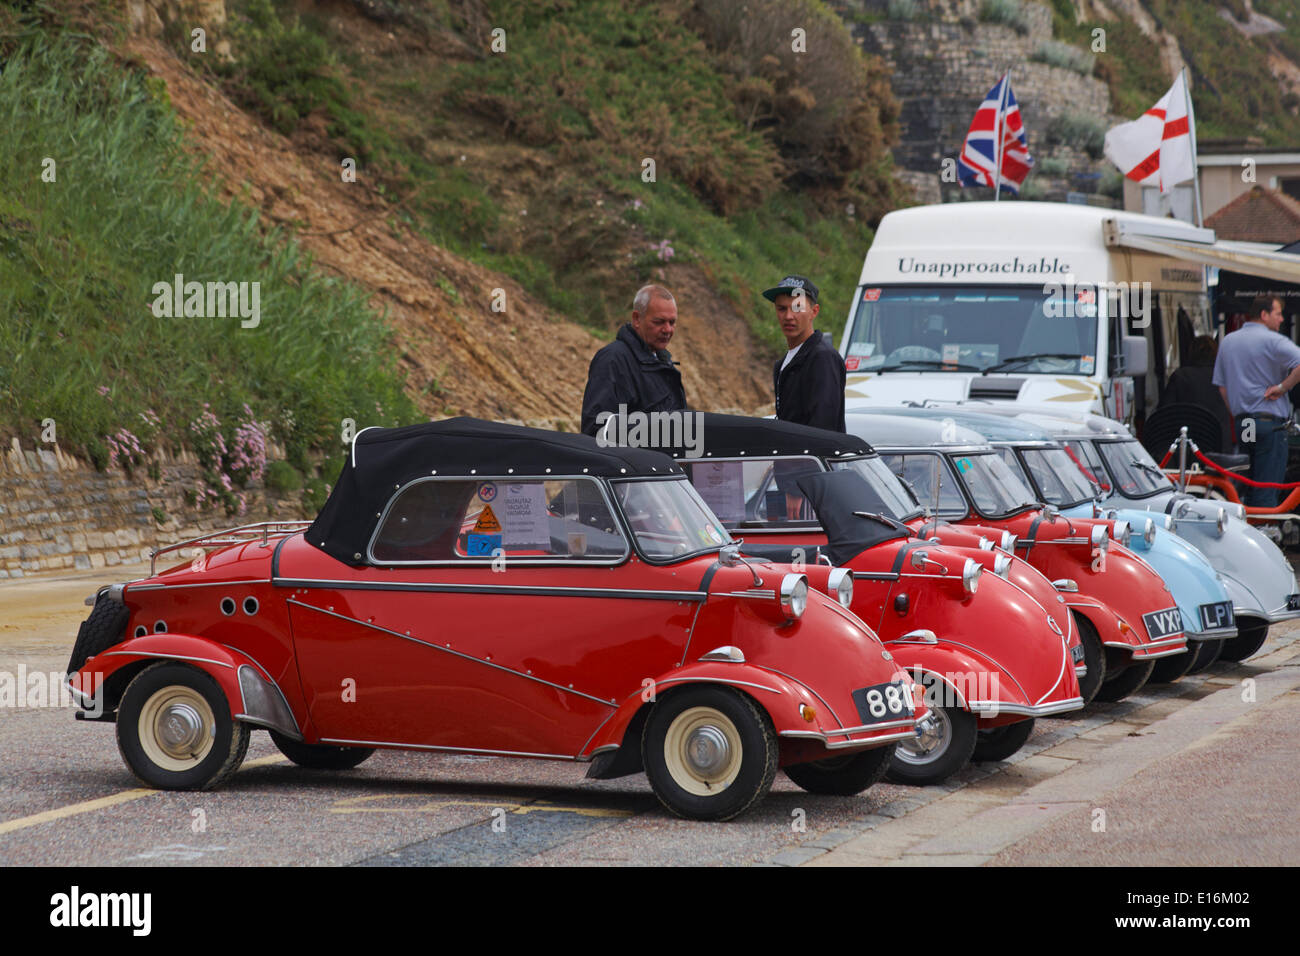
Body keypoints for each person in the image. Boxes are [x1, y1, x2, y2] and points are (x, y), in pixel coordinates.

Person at [1212, 295, 1300, 506]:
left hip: (1246, 423)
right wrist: (1282, 387)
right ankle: (1264, 529)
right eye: (1278, 314)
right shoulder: (1273, 340)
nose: (1281, 319)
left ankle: (1249, 523)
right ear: (1264, 314)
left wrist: (1237, 411)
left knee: (1248, 478)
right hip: (1270, 424)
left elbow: (1222, 387)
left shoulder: (1228, 342)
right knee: (1267, 484)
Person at [580, 284, 686, 436]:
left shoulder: (663, 362)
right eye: (659, 322)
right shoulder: (613, 360)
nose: (667, 329)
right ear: (637, 319)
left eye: (672, 322)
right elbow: (596, 429)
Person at [765, 274, 845, 433]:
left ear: (814, 311)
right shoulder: (782, 365)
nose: (788, 316)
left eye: (797, 307)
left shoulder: (822, 358)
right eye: (782, 308)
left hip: (815, 457)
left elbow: (823, 430)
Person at [1160, 335, 1233, 451]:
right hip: (1220, 441)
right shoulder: (1224, 376)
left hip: (1189, 443)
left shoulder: (1180, 376)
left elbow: (1166, 411)